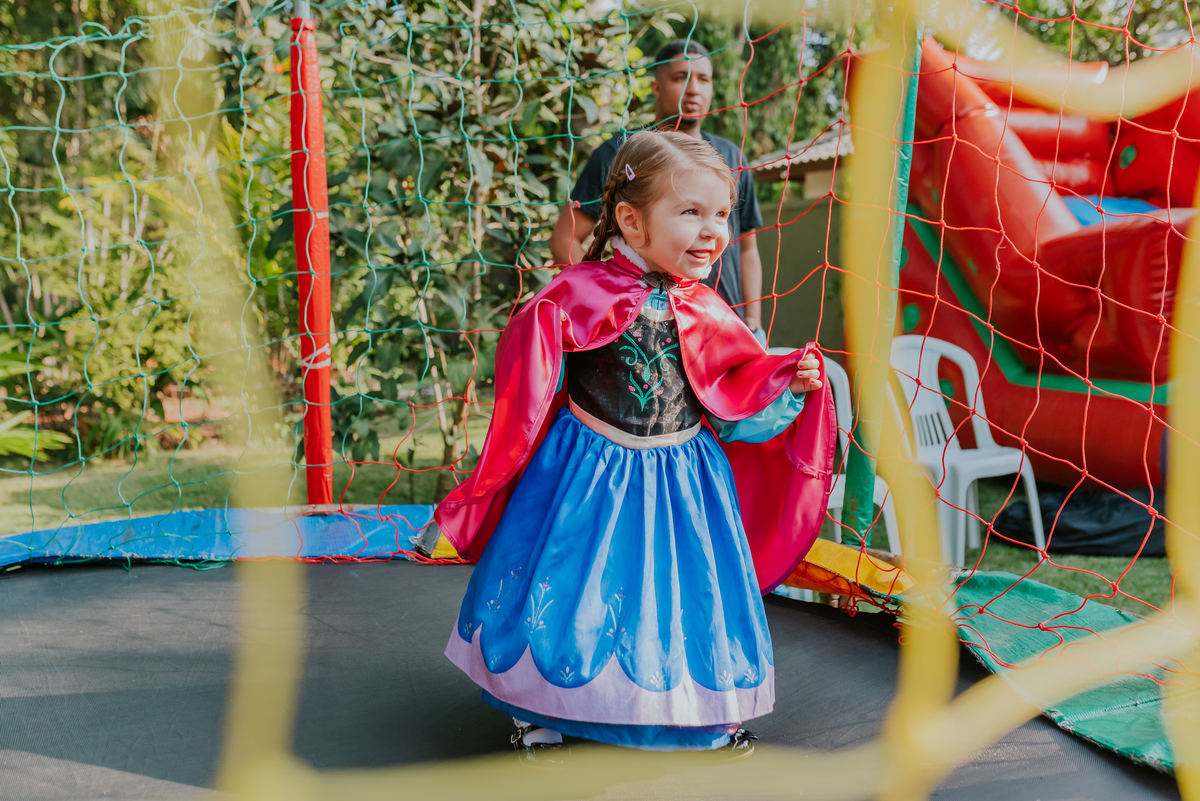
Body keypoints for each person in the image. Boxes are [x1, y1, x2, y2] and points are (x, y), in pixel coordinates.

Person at [436, 130, 836, 762]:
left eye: (722, 216)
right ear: (630, 219)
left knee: (686, 590)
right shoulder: (579, 290)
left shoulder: (709, 307)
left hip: (684, 478)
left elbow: (733, 398)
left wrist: (785, 384)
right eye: (691, 213)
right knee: (571, 581)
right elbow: (533, 355)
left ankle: (700, 711)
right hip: (584, 473)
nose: (713, 233)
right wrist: (540, 332)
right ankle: (543, 706)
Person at [548, 39, 767, 342]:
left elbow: (747, 248)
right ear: (656, 87)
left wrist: (752, 322)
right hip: (644, 332)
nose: (694, 89)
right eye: (681, 77)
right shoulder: (616, 153)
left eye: (704, 79)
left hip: (723, 329)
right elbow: (564, 238)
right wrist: (598, 299)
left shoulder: (732, 157)